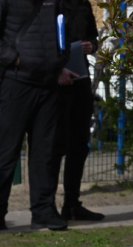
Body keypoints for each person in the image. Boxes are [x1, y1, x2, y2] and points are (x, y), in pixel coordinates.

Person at [0, 0, 72, 231]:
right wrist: (14, 59)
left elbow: (62, 31)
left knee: (46, 151)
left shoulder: (56, 2)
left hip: (49, 83)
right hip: (15, 82)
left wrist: (59, 62)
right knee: (5, 151)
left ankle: (44, 211)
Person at [55, 0, 102, 223]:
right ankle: (45, 206)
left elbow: (93, 37)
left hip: (79, 75)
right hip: (54, 79)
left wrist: (91, 46)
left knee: (79, 143)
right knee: (53, 145)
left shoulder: (82, 4)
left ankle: (72, 203)